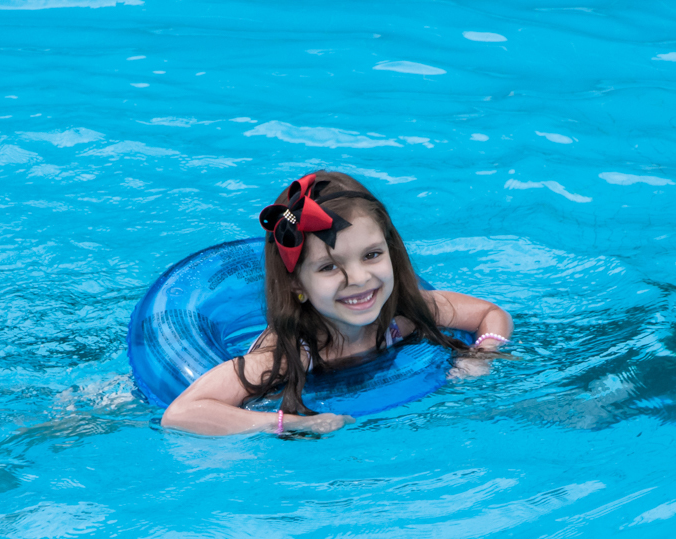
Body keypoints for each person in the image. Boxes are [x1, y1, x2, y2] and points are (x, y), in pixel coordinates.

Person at [162, 171, 513, 435]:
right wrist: (289, 423)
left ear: (392, 252)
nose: (358, 278)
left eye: (372, 255)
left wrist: (482, 356)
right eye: (330, 266)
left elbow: (490, 314)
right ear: (298, 284)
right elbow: (180, 413)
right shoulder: (287, 357)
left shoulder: (404, 315)